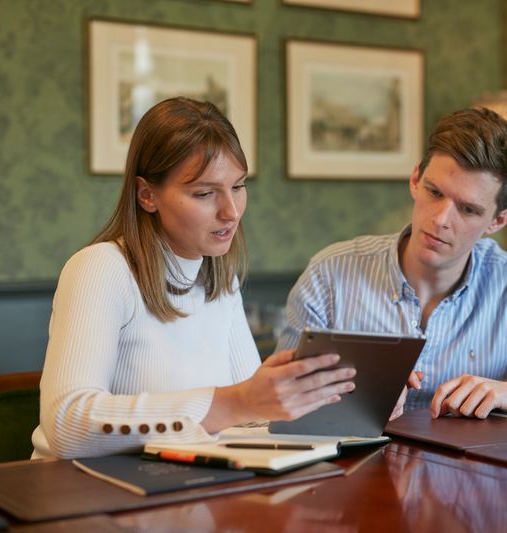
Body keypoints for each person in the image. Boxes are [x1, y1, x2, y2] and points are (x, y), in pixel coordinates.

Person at [32, 97, 355, 459]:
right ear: (147, 195)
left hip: (177, 490)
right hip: (89, 496)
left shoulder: (219, 278)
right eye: (204, 193)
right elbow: (66, 423)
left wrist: (350, 401)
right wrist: (236, 402)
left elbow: (249, 419)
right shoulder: (101, 269)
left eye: (238, 186)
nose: (231, 212)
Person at [277, 107, 507, 420]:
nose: (440, 219)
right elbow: (274, 406)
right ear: (415, 180)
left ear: (498, 222)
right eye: (434, 192)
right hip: (351, 487)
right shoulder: (330, 275)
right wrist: (351, 405)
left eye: (468, 209)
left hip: (469, 492)